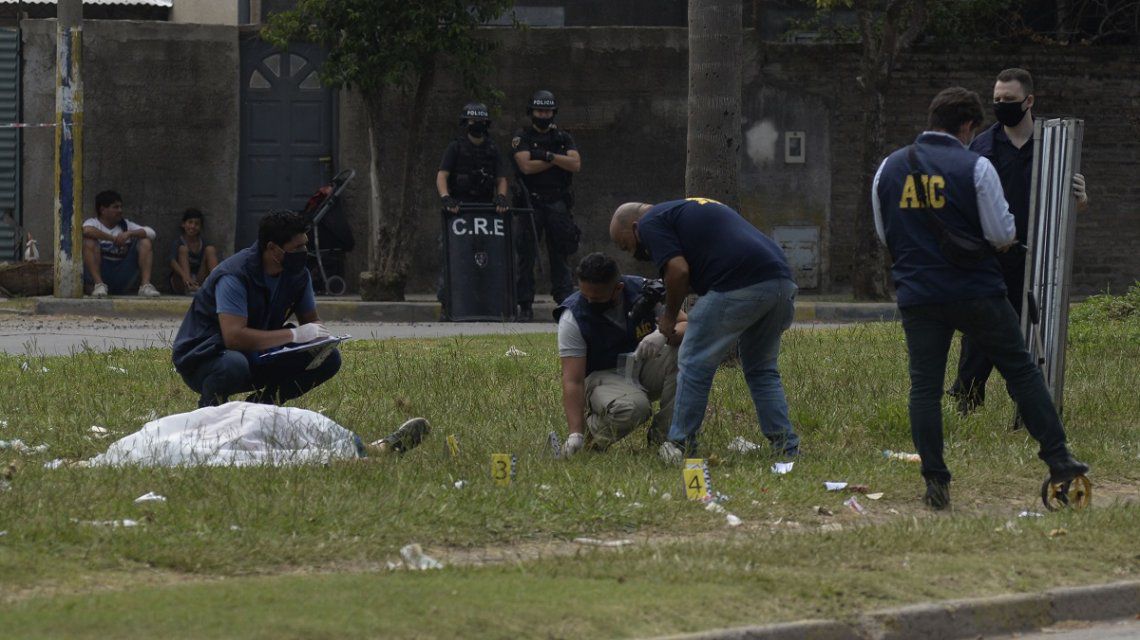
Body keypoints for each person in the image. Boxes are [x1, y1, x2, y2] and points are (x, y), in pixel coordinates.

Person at [871, 86, 1089, 510]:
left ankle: (936, 481)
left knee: (925, 387)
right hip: (975, 290)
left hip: (918, 294)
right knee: (1021, 371)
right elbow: (1002, 233)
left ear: (933, 119)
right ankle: (1059, 459)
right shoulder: (976, 166)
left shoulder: (888, 168)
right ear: (968, 126)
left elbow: (885, 234)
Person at [609, 198, 802, 464]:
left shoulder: (650, 222)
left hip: (738, 285)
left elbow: (678, 271)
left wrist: (668, 319)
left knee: (692, 361)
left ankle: (681, 444)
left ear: (634, 227)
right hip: (781, 283)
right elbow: (701, 266)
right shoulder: (689, 210)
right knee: (761, 370)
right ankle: (786, 446)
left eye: (627, 245)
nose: (633, 253)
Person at [949, 68, 1090, 416]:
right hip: (991, 255)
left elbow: (1067, 207)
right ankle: (967, 398)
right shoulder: (982, 147)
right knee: (981, 328)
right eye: (997, 99)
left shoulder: (1054, 144)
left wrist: (1079, 201)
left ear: (1029, 101)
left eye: (1009, 99)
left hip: (1037, 257)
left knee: (1032, 332)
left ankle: (1028, 406)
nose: (1001, 104)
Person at [172, 210, 341, 408]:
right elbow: (234, 338)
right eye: (297, 247)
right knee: (234, 364)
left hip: (258, 354)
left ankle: (263, 405)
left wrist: (321, 337)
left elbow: (311, 321)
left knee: (329, 358)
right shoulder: (234, 275)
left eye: (305, 244)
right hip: (208, 357)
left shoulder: (298, 275)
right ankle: (210, 410)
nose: (304, 251)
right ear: (272, 248)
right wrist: (294, 335)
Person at [555, 253, 685, 456]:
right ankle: (589, 440)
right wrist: (575, 433)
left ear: (618, 289)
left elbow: (687, 324)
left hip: (641, 363)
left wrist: (664, 333)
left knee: (686, 355)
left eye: (596, 298)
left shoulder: (645, 292)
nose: (588, 301)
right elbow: (573, 380)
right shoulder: (573, 316)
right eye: (584, 294)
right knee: (634, 408)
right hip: (603, 375)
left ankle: (667, 439)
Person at [435, 101, 510, 319]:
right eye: (472, 120)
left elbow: (501, 178)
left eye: (480, 120)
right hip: (459, 210)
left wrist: (501, 197)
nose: (476, 124)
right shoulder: (455, 147)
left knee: (489, 257)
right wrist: (446, 198)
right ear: (465, 122)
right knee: (452, 256)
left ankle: (488, 305)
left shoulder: (492, 149)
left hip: (485, 210)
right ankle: (447, 305)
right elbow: (442, 175)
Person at [512, 89, 582, 321]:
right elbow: (525, 167)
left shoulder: (563, 137)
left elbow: (575, 164)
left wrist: (547, 157)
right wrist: (557, 161)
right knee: (526, 255)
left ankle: (564, 304)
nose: (543, 115)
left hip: (557, 203)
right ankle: (525, 305)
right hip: (530, 203)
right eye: (539, 111)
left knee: (560, 254)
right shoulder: (522, 136)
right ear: (531, 112)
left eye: (547, 111)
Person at [82, 190, 160, 297]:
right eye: (115, 207)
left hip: (121, 276)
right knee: (89, 242)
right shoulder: (93, 223)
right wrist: (113, 239)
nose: (120, 210)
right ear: (103, 210)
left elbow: (152, 233)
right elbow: (86, 230)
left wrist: (130, 233)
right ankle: (98, 285)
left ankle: (145, 286)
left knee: (145, 242)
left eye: (120, 207)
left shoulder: (125, 225)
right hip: (100, 277)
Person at [169, 208, 220, 295]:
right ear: (183, 224)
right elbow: (172, 261)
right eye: (190, 222)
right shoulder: (178, 242)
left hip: (198, 280)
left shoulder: (203, 243)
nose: (193, 226)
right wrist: (185, 276)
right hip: (181, 280)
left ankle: (217, 284)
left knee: (210, 249)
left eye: (196, 224)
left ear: (200, 227)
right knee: (183, 249)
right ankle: (189, 287)